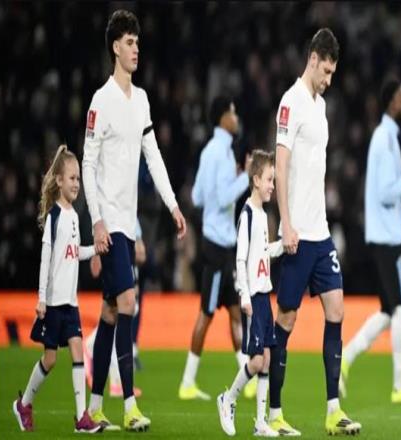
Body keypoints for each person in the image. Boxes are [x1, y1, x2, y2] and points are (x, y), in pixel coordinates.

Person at [82, 9, 186, 432]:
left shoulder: (140, 100)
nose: (136, 49)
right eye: (129, 42)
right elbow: (88, 164)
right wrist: (96, 221)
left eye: (138, 42)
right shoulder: (101, 101)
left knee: (111, 311)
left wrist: (173, 204)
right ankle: (128, 405)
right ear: (115, 48)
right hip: (109, 222)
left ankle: (93, 408)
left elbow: (153, 156)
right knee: (128, 302)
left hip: (129, 222)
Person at [269, 28, 361, 436]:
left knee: (336, 310)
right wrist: (286, 223)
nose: (329, 80)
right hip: (297, 234)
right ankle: (274, 411)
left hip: (320, 234)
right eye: (326, 71)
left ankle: (333, 411)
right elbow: (281, 164)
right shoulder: (290, 102)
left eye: (333, 73)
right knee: (285, 320)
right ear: (313, 60)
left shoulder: (320, 107)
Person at [340, 79, 401, 404]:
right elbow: (386, 192)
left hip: (385, 236)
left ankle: (346, 359)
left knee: (390, 310)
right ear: (391, 101)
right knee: (400, 307)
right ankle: (399, 386)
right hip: (388, 238)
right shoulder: (385, 138)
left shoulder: (386, 136)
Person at [13, 145, 102, 434]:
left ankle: (82, 418)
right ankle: (24, 404)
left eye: (78, 179)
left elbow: (74, 253)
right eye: (72, 178)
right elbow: (46, 259)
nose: (76, 184)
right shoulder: (55, 217)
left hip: (70, 303)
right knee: (50, 359)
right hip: (53, 303)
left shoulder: (74, 216)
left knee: (77, 351)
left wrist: (95, 249)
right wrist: (41, 298)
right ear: (59, 181)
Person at [179, 96, 256, 401]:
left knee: (236, 312)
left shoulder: (209, 151)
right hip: (218, 246)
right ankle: (187, 382)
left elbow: (198, 196)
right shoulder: (222, 153)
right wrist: (246, 177)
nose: (236, 118)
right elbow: (224, 198)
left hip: (219, 244)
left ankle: (247, 377)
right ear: (223, 118)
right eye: (232, 113)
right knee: (207, 313)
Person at [217, 150, 282, 437]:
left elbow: (261, 254)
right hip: (254, 297)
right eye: (269, 180)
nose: (272, 186)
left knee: (265, 358)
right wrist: (244, 294)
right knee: (256, 361)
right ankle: (228, 398)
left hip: (265, 294)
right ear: (256, 180)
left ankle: (260, 422)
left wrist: (282, 246)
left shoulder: (262, 214)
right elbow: (241, 258)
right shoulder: (247, 215)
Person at [83, 219, 145, 399]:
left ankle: (91, 346)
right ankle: (116, 382)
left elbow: (140, 253)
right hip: (118, 256)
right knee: (118, 315)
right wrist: (96, 253)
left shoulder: (131, 214)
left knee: (121, 314)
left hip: (127, 262)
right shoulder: (118, 214)